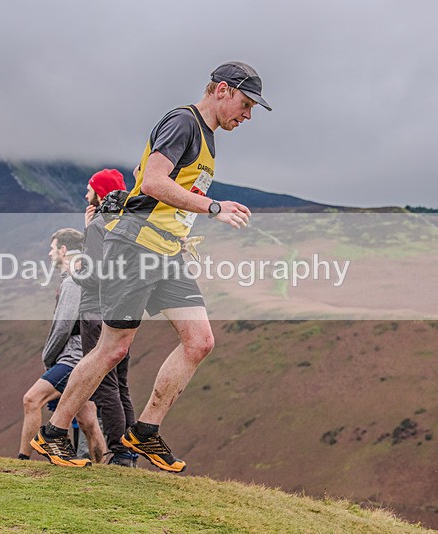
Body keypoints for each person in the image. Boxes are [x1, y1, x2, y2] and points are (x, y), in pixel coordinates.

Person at [32, 62, 269, 472]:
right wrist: (213, 207)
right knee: (113, 348)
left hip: (167, 252)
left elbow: (153, 178)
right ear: (223, 90)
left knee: (200, 341)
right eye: (245, 105)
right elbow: (153, 183)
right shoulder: (184, 122)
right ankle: (53, 433)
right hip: (136, 247)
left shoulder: (207, 137)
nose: (247, 116)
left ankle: (144, 432)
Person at [20, 228, 107, 465]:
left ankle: (22, 461)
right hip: (87, 356)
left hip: (72, 359)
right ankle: (102, 469)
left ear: (63, 250)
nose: (49, 254)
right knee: (88, 420)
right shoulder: (85, 276)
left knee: (31, 399)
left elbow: (62, 327)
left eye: (52, 248)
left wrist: (48, 357)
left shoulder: (72, 282)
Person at [77, 169, 138, 467]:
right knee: (121, 383)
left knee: (104, 384)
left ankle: (120, 451)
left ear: (100, 194)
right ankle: (129, 448)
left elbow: (94, 274)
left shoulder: (98, 226)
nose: (85, 194)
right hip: (125, 311)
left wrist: (75, 271)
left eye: (89, 189)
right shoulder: (130, 224)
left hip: (96, 311)